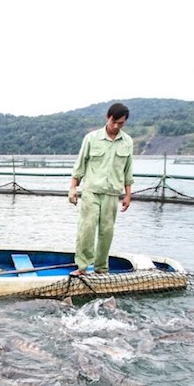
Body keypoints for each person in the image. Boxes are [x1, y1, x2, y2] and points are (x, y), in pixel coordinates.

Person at [68, 103, 133, 276]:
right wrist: (73, 187)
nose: (116, 126)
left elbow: (128, 170)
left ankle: (101, 268)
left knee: (107, 231)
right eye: (114, 122)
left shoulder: (127, 142)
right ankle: (82, 267)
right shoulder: (91, 138)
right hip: (91, 190)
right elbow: (80, 165)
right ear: (108, 117)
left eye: (121, 123)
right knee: (87, 228)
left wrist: (128, 195)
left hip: (112, 192)